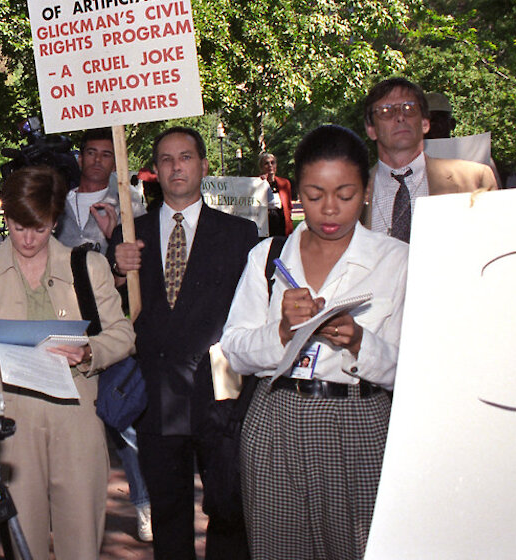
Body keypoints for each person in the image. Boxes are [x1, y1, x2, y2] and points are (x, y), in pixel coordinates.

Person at [220, 125, 407, 560]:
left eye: (344, 194)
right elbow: (234, 348)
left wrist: (359, 341)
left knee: (358, 547)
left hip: (359, 421)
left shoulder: (395, 260)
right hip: (275, 418)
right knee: (277, 548)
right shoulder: (268, 255)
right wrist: (283, 332)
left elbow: (412, 370)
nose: (329, 209)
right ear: (297, 191)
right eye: (315, 194)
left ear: (365, 191)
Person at [0, 165, 135, 560]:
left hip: (77, 418)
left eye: (39, 227)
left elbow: (123, 335)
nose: (28, 238)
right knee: (22, 542)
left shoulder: (87, 266)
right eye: (18, 227)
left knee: (82, 540)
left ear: (54, 220)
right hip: (11, 422)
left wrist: (89, 352)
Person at [111, 126, 259, 560]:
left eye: (186, 157)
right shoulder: (129, 235)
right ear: (155, 170)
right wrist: (118, 272)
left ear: (203, 165)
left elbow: (251, 312)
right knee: (170, 512)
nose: (176, 166)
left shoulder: (240, 235)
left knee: (229, 506)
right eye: (166, 159)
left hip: (220, 390)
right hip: (159, 392)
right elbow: (103, 309)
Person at [52, 127, 153, 542]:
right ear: (80, 158)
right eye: (90, 152)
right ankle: (65, 512)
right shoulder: (58, 204)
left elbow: (140, 268)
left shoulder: (128, 206)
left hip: (109, 326)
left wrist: (114, 238)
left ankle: (145, 505)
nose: (97, 160)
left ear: (116, 162)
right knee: (64, 424)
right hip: (61, 326)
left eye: (106, 154)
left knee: (124, 420)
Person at [361, 77, 497, 242]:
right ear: (371, 129)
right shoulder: (350, 192)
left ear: (425, 123)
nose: (399, 117)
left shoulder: (475, 179)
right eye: (385, 111)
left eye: (409, 108)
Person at [257, 152, 293, 237]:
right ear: (262, 167)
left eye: (272, 162)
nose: (270, 165)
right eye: (266, 163)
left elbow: (288, 206)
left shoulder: (285, 183)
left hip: (281, 222)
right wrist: (261, 182)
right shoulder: (258, 183)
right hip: (266, 223)